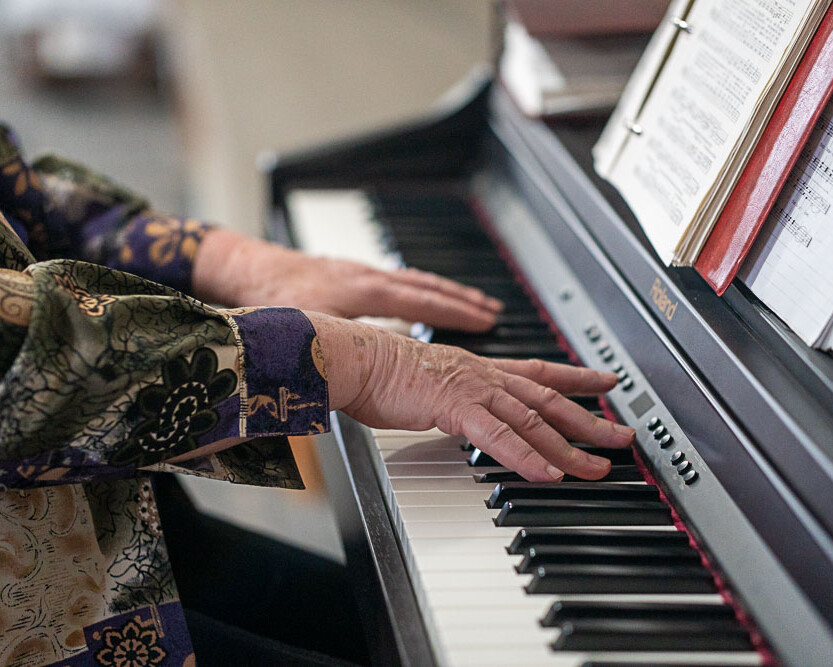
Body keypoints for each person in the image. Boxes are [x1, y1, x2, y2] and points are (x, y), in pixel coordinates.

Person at [0, 124, 634, 665]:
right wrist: (364, 363)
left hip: (90, 524)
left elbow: (19, 194)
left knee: (399, 633)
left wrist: (239, 262)